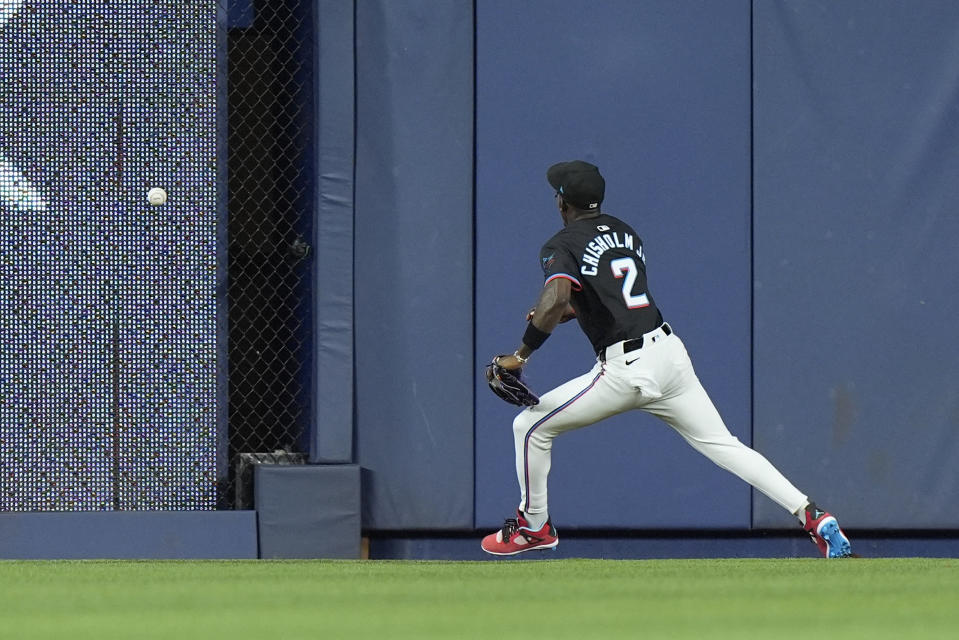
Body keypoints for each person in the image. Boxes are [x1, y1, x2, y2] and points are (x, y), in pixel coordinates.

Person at [481, 160, 853, 558]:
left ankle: (534, 526)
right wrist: (572, 311)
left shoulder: (561, 244)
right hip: (669, 355)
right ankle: (811, 513)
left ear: (561, 202)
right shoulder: (626, 231)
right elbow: (615, 296)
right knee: (725, 445)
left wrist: (521, 354)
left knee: (531, 427)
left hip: (625, 369)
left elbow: (556, 296)